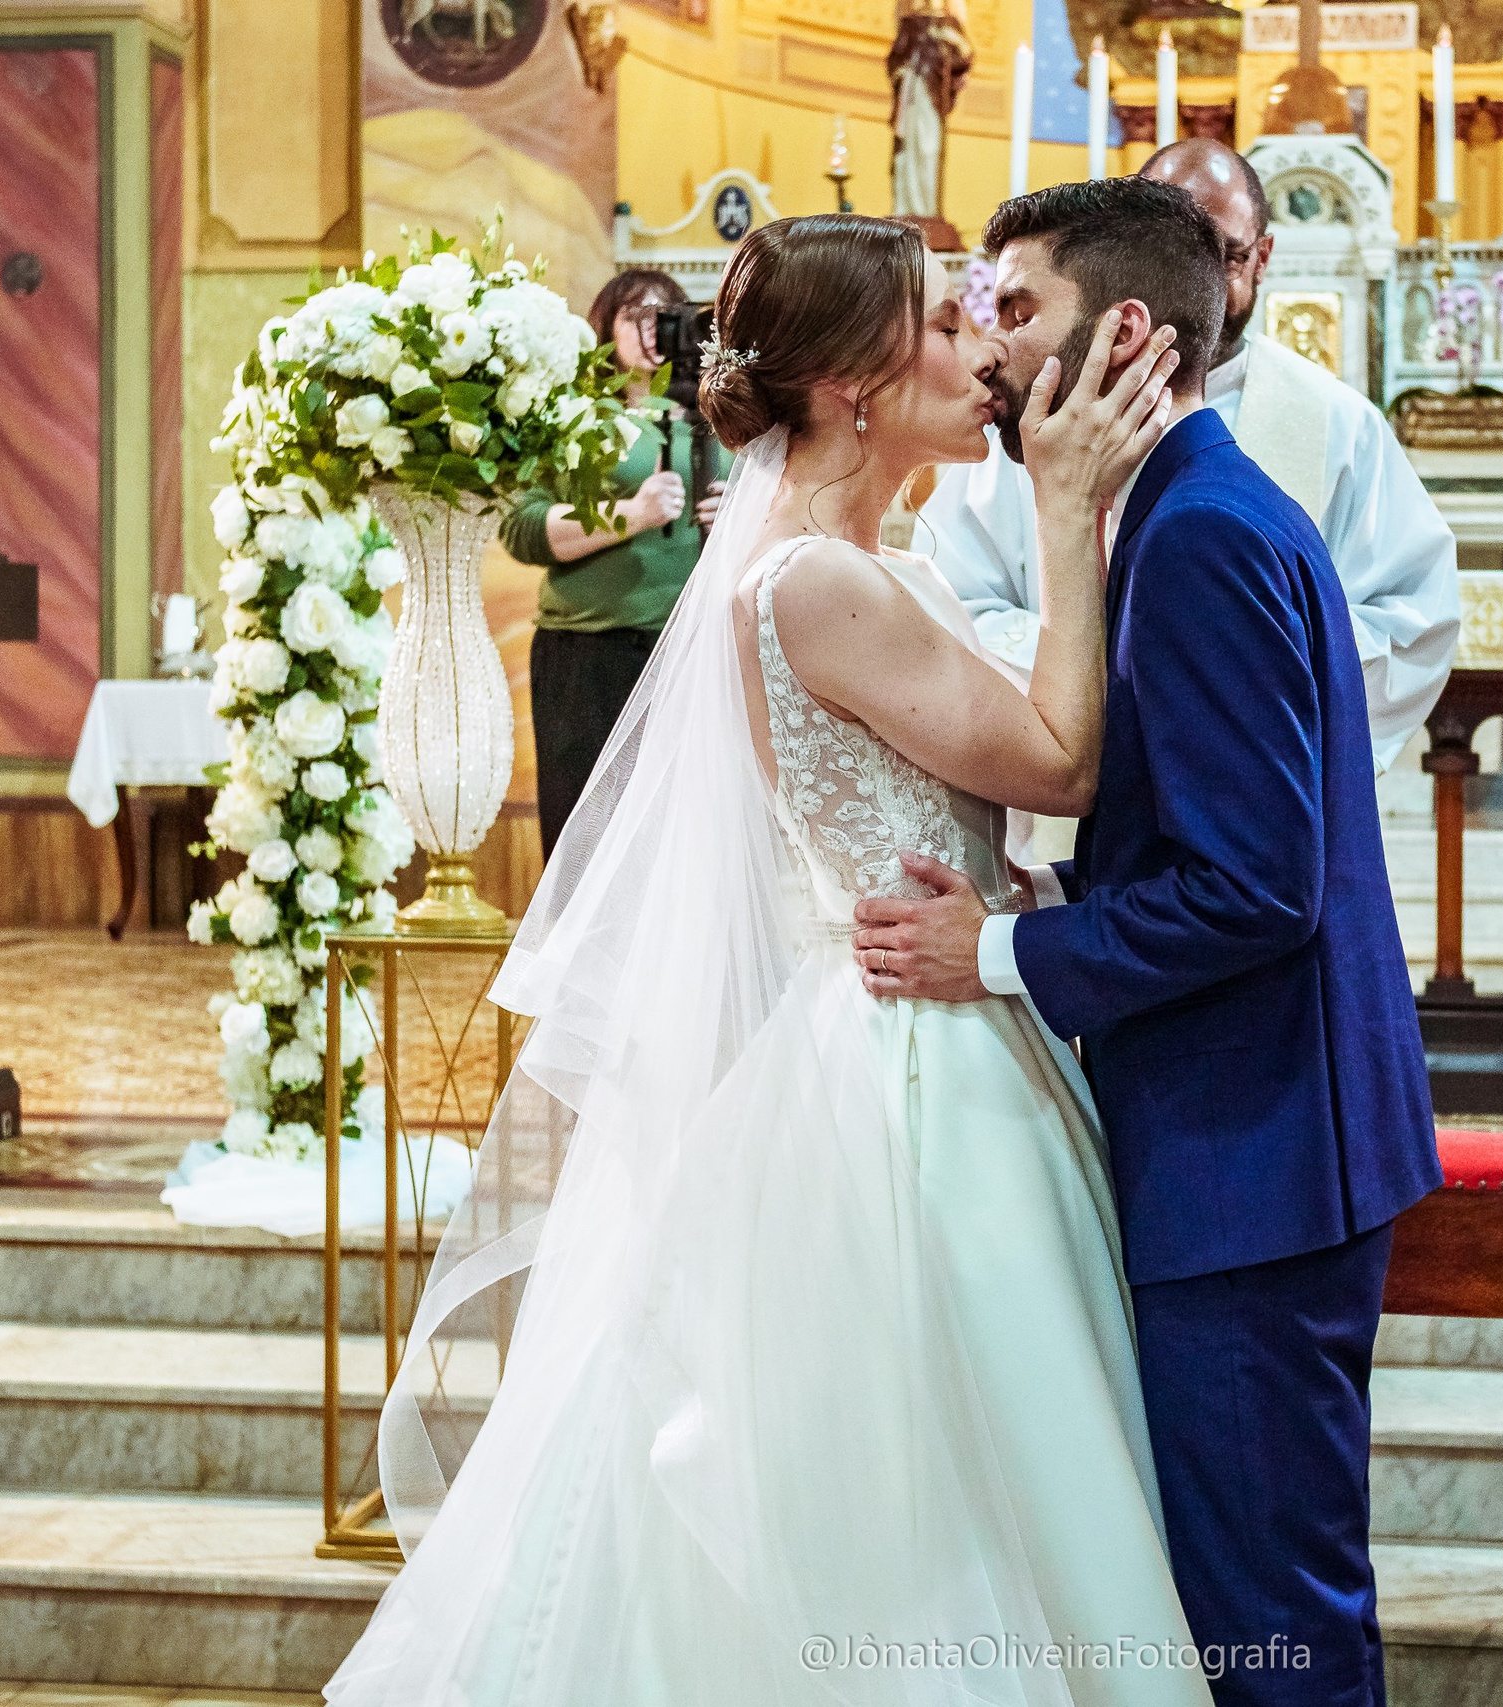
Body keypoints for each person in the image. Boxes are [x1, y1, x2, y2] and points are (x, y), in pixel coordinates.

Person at [324, 214, 1201, 1706]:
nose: (983, 351)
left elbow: (982, 800)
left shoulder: (872, 563)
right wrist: (1067, 515)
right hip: (905, 1071)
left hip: (945, 1006)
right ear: (855, 380)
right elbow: (1063, 759)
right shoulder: (812, 583)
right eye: (942, 322)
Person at [857, 178, 1441, 1707]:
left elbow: (1257, 889)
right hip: (1250, 1135)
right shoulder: (1191, 509)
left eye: (1019, 310)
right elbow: (1213, 840)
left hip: (1257, 1160)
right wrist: (1064, 906)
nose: (988, 346)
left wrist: (993, 954)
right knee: (1251, 1587)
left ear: (1125, 332)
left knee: (1275, 1611)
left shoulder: (1198, 537)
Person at [921, 137, 1460, 774]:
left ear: (1262, 257)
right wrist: (1115, 677)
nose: (1199, 272)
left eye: (1223, 254)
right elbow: (955, 610)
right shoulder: (1028, 405)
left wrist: (1219, 688)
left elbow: (1412, 622)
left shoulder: (1337, 424)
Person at [502, 266, 726, 851]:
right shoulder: (572, 417)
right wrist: (631, 514)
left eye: (668, 317)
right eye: (636, 316)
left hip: (689, 650)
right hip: (589, 653)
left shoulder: (722, 424)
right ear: (604, 328)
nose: (653, 330)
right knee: (585, 836)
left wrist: (740, 513)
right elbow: (522, 528)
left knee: (678, 841)